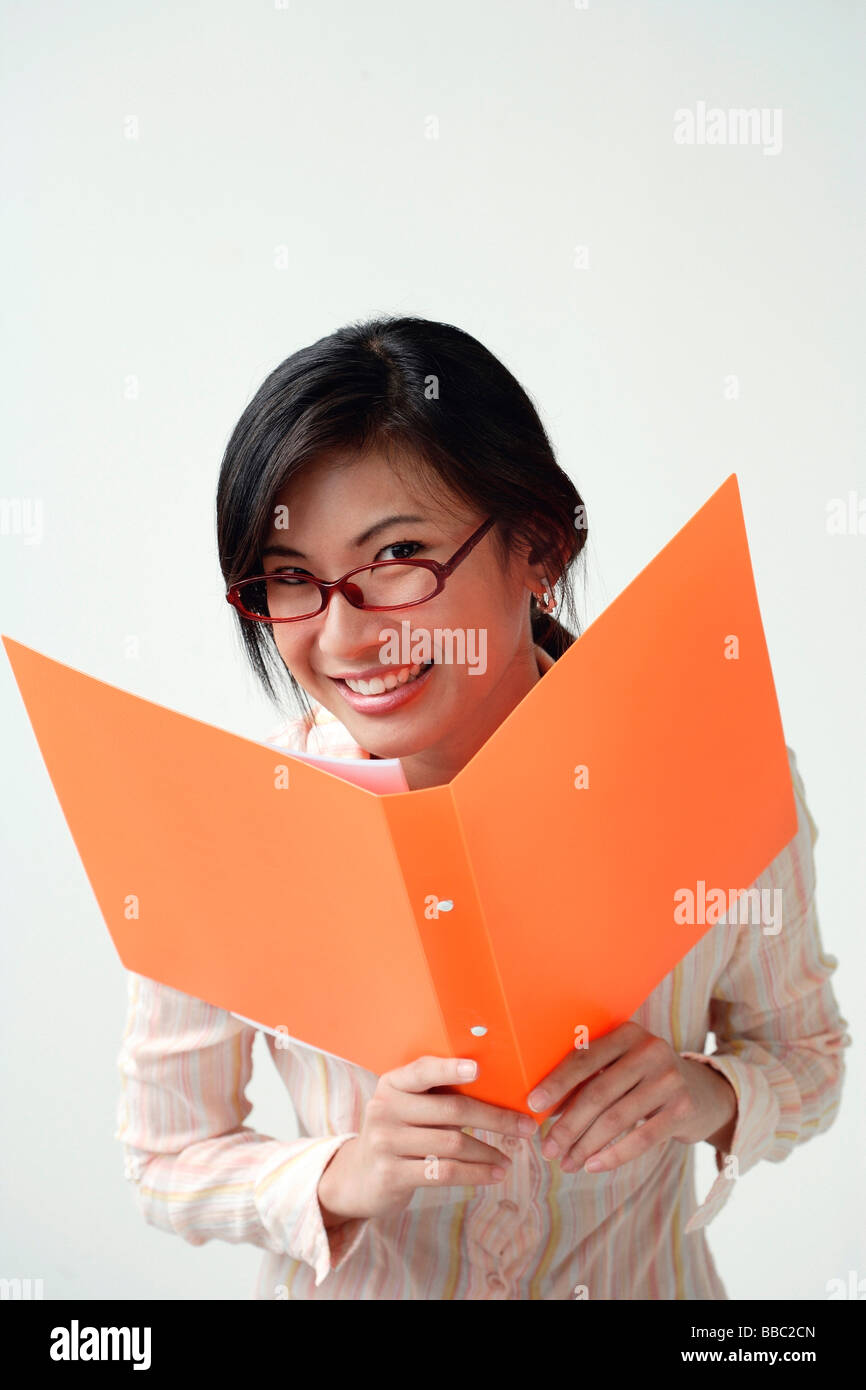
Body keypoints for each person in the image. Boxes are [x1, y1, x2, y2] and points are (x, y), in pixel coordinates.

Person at [115, 315, 850, 1299]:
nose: (342, 637)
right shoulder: (233, 830)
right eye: (292, 578)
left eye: (397, 556)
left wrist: (701, 1092)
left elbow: (805, 1057)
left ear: (537, 548)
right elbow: (164, 1159)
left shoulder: (711, 774)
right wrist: (344, 1172)